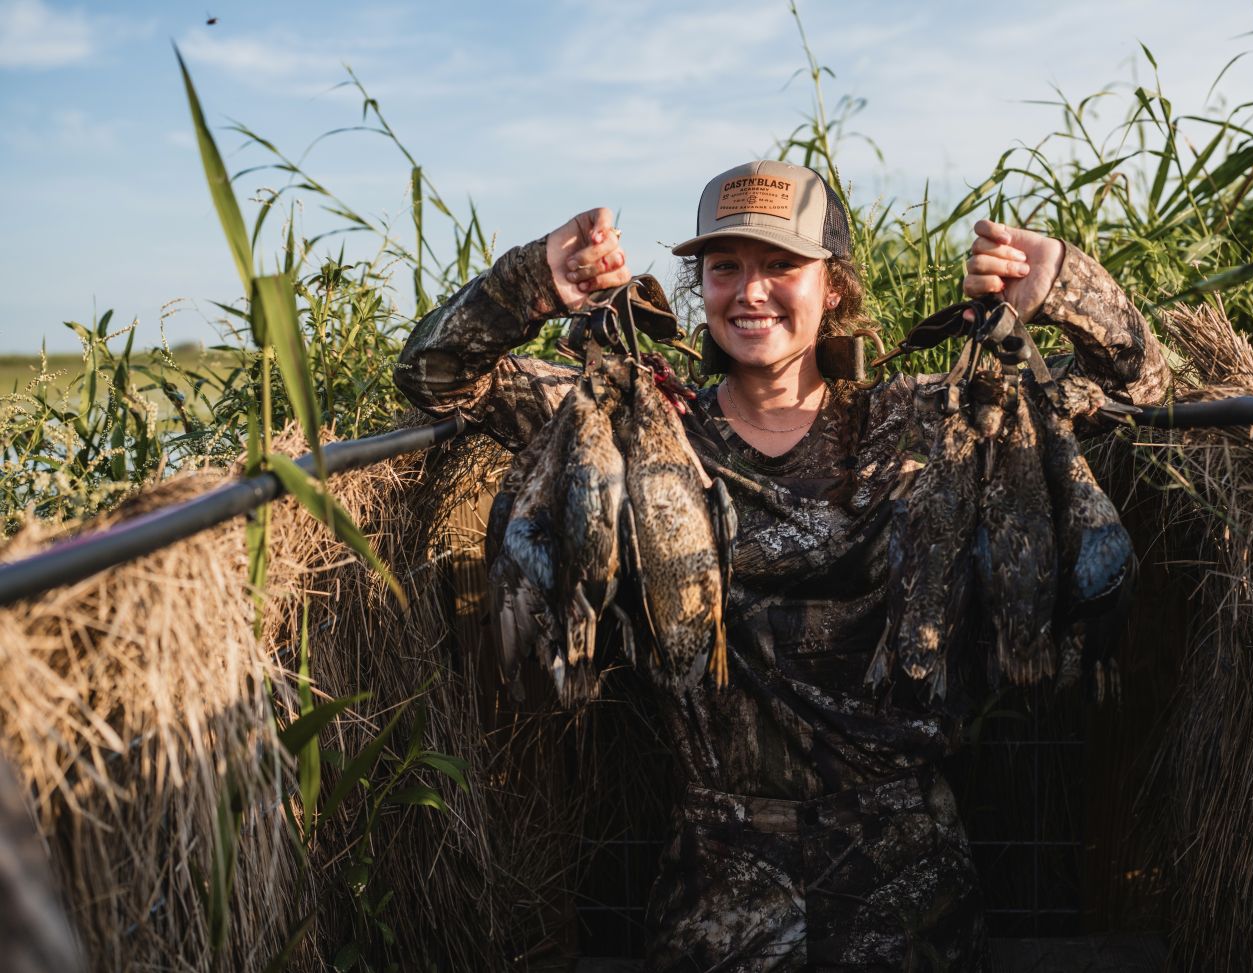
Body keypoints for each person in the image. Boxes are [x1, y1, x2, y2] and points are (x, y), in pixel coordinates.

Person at [394, 159, 1170, 970]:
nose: (750, 291)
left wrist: (1063, 285)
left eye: (781, 265)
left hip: (909, 888)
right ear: (701, 285)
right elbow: (435, 377)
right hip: (720, 890)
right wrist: (536, 280)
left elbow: (1145, 389)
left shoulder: (932, 422)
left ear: (832, 286)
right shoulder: (638, 423)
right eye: (725, 267)